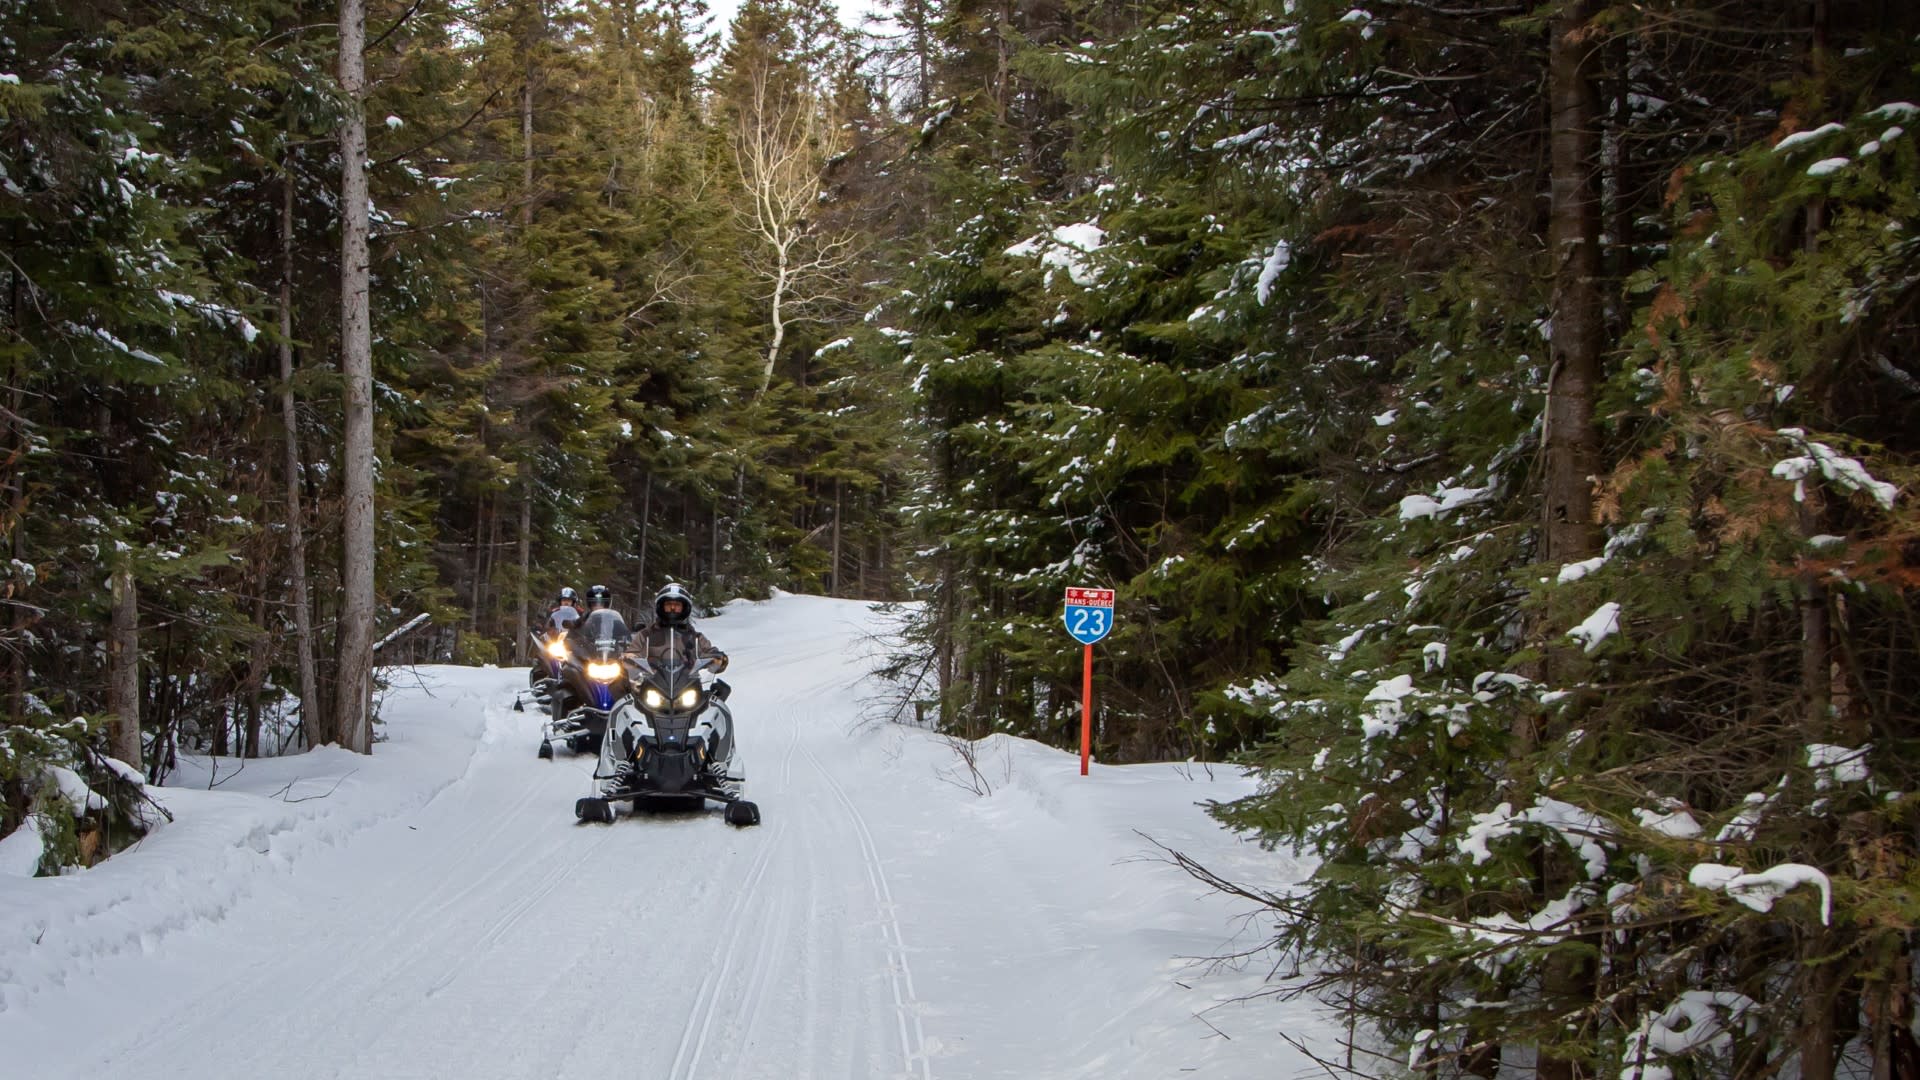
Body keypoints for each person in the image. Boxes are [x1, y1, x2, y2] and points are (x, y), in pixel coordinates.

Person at [633, 582, 727, 673]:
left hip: (688, 684)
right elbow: (633, 652)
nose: (673, 608)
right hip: (652, 683)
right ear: (661, 607)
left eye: (677, 605)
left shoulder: (694, 637)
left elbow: (708, 651)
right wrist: (629, 659)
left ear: (685, 608)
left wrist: (718, 658)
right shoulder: (646, 635)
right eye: (668, 605)